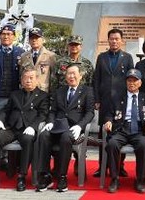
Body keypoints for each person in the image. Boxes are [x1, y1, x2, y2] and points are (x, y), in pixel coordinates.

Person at [0, 66, 49, 192]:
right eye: (25, 78)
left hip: (27, 128)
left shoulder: (43, 96)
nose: (28, 81)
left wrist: (33, 127)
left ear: (37, 80)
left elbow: (43, 115)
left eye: (31, 78)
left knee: (28, 140)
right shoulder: (15, 94)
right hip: (12, 127)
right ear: (21, 80)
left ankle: (21, 176)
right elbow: (6, 110)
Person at [35, 64, 95, 193]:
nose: (71, 76)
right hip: (58, 126)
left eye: (74, 73)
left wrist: (80, 126)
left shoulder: (87, 91)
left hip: (74, 128)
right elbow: (53, 110)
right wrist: (50, 122)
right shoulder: (60, 91)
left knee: (65, 137)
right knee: (44, 135)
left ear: (80, 75)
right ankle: (45, 175)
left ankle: (62, 176)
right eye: (69, 73)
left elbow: (90, 113)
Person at [103, 68, 145, 194]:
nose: (132, 83)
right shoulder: (117, 97)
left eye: (135, 81)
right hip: (121, 129)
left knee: (143, 146)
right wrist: (108, 121)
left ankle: (140, 180)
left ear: (140, 83)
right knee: (112, 144)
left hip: (139, 130)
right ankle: (114, 179)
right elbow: (108, 114)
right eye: (129, 81)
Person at [93, 28, 135, 177]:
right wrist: (96, 99)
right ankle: (102, 166)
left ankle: (119, 165)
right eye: (112, 39)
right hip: (105, 101)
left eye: (117, 39)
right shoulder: (102, 57)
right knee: (103, 134)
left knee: (121, 132)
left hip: (121, 102)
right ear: (108, 40)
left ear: (121, 40)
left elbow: (131, 79)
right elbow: (96, 79)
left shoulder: (127, 58)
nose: (114, 41)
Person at [0, 23, 24, 111]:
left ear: (14, 37)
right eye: (3, 34)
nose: (6, 37)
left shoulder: (21, 52)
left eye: (9, 34)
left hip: (14, 95)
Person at [18, 27, 57, 93]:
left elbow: (54, 77)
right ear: (29, 40)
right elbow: (21, 75)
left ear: (42, 39)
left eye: (37, 38)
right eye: (32, 38)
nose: (34, 40)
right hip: (27, 92)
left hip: (43, 92)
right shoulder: (24, 56)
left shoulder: (51, 56)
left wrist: (52, 93)